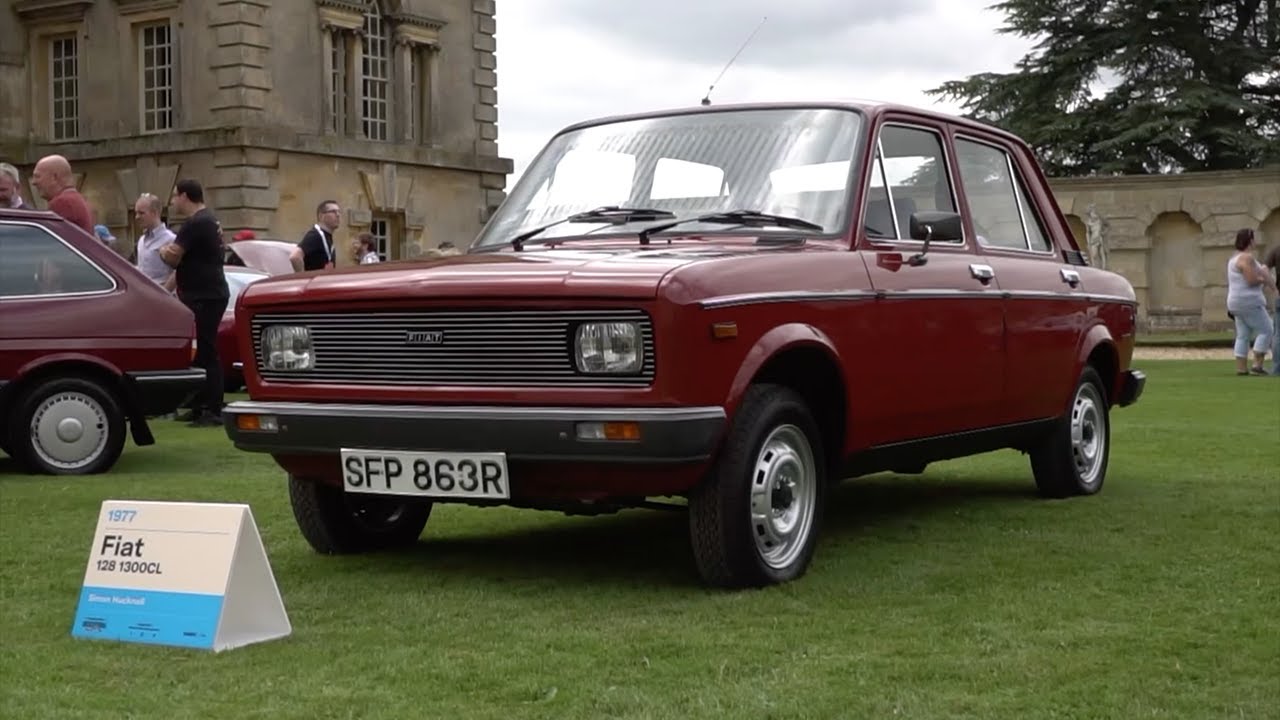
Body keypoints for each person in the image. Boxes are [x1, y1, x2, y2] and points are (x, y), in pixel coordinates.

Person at [159, 179, 229, 426]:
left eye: (175, 196)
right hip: (208, 292)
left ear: (185, 196)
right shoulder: (209, 220)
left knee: (207, 351)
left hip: (204, 295)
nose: (173, 202)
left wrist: (162, 251)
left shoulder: (195, 223)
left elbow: (173, 257)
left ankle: (213, 408)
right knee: (200, 351)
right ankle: (200, 405)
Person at [1225, 228, 1276, 376]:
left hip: (1236, 302)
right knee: (1267, 329)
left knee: (1243, 334)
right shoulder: (1246, 258)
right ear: (1250, 241)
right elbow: (1251, 280)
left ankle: (1241, 368)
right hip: (1248, 301)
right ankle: (1257, 366)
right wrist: (1264, 280)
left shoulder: (1234, 258)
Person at [30, 154, 93, 234]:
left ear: (54, 177)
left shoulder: (63, 202)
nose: (34, 182)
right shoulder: (75, 199)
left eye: (37, 176)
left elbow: (50, 241)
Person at [133, 192, 176, 291]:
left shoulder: (171, 239)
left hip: (163, 300)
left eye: (141, 213)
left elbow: (178, 272)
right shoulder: (141, 241)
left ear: (155, 213)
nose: (137, 217)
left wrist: (164, 293)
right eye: (136, 213)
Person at [290, 199, 341, 271]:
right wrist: (303, 279)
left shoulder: (327, 236)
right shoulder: (315, 235)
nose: (338, 215)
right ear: (321, 216)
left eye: (339, 212)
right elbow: (295, 257)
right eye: (333, 212)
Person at [1264, 239, 1280, 376]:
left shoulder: (1276, 249)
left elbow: (1264, 269)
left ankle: (1277, 368)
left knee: (1278, 334)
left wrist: (1273, 287)